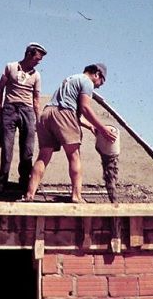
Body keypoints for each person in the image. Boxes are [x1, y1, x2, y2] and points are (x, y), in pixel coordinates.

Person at [23, 63, 118, 203]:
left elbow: (72, 112)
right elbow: (83, 108)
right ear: (97, 74)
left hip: (47, 114)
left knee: (43, 156)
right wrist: (103, 129)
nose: (98, 86)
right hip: (63, 113)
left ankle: (29, 195)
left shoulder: (71, 79)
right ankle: (76, 196)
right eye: (101, 82)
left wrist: (91, 126)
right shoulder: (87, 82)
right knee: (74, 155)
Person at [0, 42, 47, 194]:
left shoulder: (36, 75)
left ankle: (24, 181)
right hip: (9, 109)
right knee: (7, 147)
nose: (39, 61)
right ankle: (2, 181)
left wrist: (37, 120)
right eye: (37, 57)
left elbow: (36, 99)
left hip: (27, 111)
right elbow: (0, 89)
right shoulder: (10, 67)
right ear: (29, 54)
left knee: (27, 149)